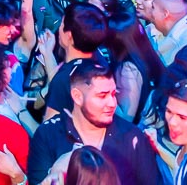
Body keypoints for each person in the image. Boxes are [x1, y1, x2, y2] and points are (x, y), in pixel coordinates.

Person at [28, 62, 158, 185]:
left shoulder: (132, 137)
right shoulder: (48, 135)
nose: (112, 103)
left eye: (113, 94)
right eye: (102, 96)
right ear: (77, 96)